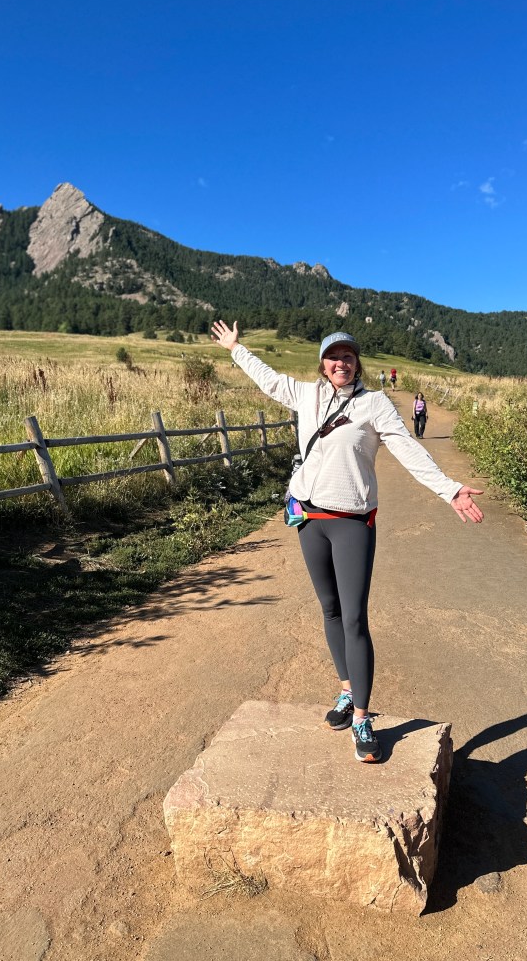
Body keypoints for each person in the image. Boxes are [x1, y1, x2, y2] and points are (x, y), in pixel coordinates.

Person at [211, 322, 484, 763]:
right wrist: (236, 349)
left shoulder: (375, 404)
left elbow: (407, 450)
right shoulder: (307, 395)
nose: (341, 362)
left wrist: (448, 488)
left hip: (352, 522)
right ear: (322, 364)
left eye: (349, 356)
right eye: (333, 356)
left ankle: (361, 716)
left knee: (355, 618)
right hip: (308, 518)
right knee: (330, 608)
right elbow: (267, 378)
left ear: (357, 364)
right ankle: (345, 690)